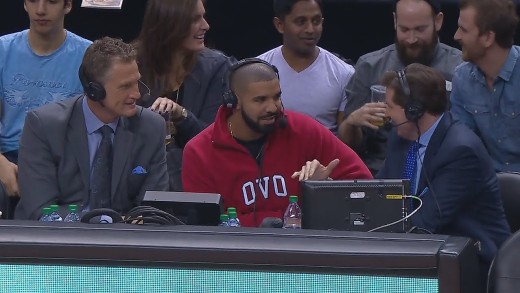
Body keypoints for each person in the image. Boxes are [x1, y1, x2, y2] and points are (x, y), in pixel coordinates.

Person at [182, 59, 372, 227]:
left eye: (277, 97)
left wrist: (322, 192)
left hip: (304, 252)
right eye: (261, 100)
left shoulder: (304, 130)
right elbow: (204, 227)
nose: (273, 107)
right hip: (236, 257)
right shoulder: (200, 151)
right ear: (233, 102)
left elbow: (366, 187)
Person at [377, 63, 510, 284]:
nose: (386, 112)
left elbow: (426, 222)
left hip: (470, 263)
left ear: (413, 111)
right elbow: (379, 193)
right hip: (423, 254)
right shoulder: (400, 137)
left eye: (390, 106)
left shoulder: (461, 150)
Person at [14, 37, 169, 221]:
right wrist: (106, 222)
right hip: (56, 239)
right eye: (125, 86)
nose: (136, 94)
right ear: (94, 90)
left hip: (125, 241)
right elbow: (41, 209)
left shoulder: (151, 127)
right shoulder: (43, 126)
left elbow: (154, 211)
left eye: (136, 82)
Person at [338, 0, 462, 175]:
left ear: (438, 21)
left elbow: (468, 134)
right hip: (379, 172)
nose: (411, 39)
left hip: (440, 171)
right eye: (404, 29)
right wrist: (352, 124)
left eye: (420, 29)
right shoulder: (370, 66)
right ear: (395, 21)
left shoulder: (460, 69)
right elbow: (346, 143)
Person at [0, 0, 91, 216]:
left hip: (62, 162)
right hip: (10, 156)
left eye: (51, 1)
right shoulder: (3, 50)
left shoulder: (88, 55)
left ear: (67, 5)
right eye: (33, 1)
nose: (40, 10)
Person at [133, 0, 235, 191]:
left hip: (196, 177)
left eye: (203, 17)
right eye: (195, 19)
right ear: (170, 23)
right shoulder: (132, 65)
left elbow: (217, 141)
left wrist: (182, 115)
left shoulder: (218, 68)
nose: (206, 25)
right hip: (138, 173)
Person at [257, 0, 354, 135]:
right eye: (301, 22)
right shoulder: (257, 70)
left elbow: (346, 141)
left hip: (324, 154)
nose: (310, 29)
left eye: (316, 21)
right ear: (280, 25)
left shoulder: (344, 73)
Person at [451, 0, 520, 172]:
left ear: (488, 37)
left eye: (464, 29)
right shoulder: (462, 78)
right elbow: (463, 146)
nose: (456, 36)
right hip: (488, 187)